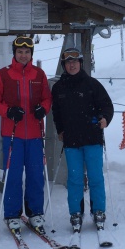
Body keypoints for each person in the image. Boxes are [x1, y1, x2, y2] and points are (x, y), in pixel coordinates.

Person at [0, 35, 52, 234]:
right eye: (20, 52)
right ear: (14, 53)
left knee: (35, 175)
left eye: (27, 52)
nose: (23, 55)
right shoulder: (3, 75)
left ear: (31, 54)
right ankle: (12, 214)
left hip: (34, 134)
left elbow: (47, 99)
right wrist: (8, 111)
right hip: (12, 134)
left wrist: (43, 109)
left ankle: (35, 213)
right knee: (13, 176)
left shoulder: (39, 74)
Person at [51, 47, 114, 233]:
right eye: (69, 62)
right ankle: (76, 213)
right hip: (71, 141)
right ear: (64, 65)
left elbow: (107, 106)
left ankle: (99, 211)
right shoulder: (58, 88)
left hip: (92, 138)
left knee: (95, 177)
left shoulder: (92, 84)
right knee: (75, 179)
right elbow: (56, 113)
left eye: (75, 61)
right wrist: (60, 129)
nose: (72, 65)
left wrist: (104, 119)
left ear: (80, 63)